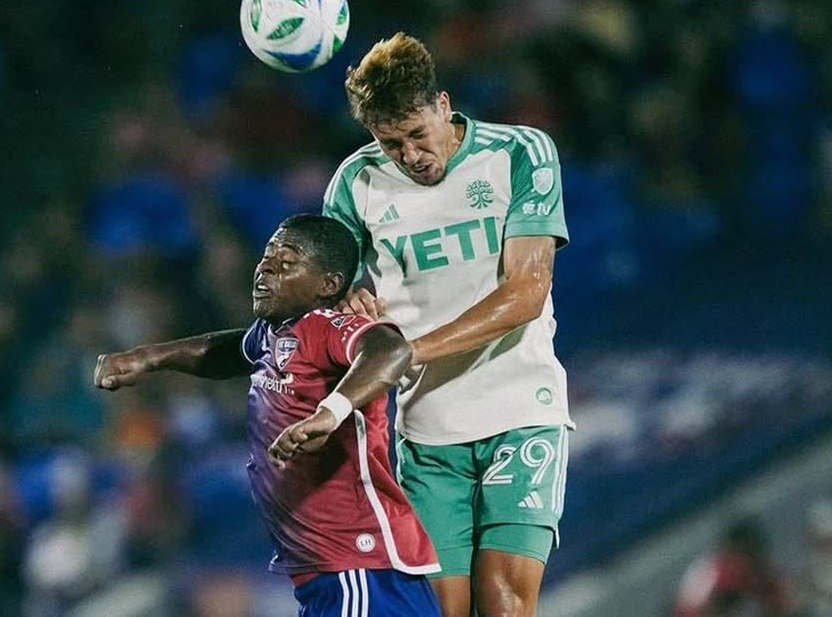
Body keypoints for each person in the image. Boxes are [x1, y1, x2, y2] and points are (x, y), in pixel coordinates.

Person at [323, 32, 575, 617]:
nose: (409, 155)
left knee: (504, 601)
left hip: (521, 410)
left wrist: (410, 351)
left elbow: (526, 293)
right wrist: (348, 298)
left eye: (417, 135)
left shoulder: (520, 153)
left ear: (443, 105)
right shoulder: (355, 184)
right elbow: (330, 288)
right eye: (390, 144)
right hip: (427, 431)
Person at [93, 214, 442, 617]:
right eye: (267, 257)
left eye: (287, 262)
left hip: (358, 560)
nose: (266, 269)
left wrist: (329, 413)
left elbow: (390, 350)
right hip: (326, 567)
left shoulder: (327, 326)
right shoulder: (273, 334)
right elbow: (225, 352)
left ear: (327, 285)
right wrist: (147, 357)